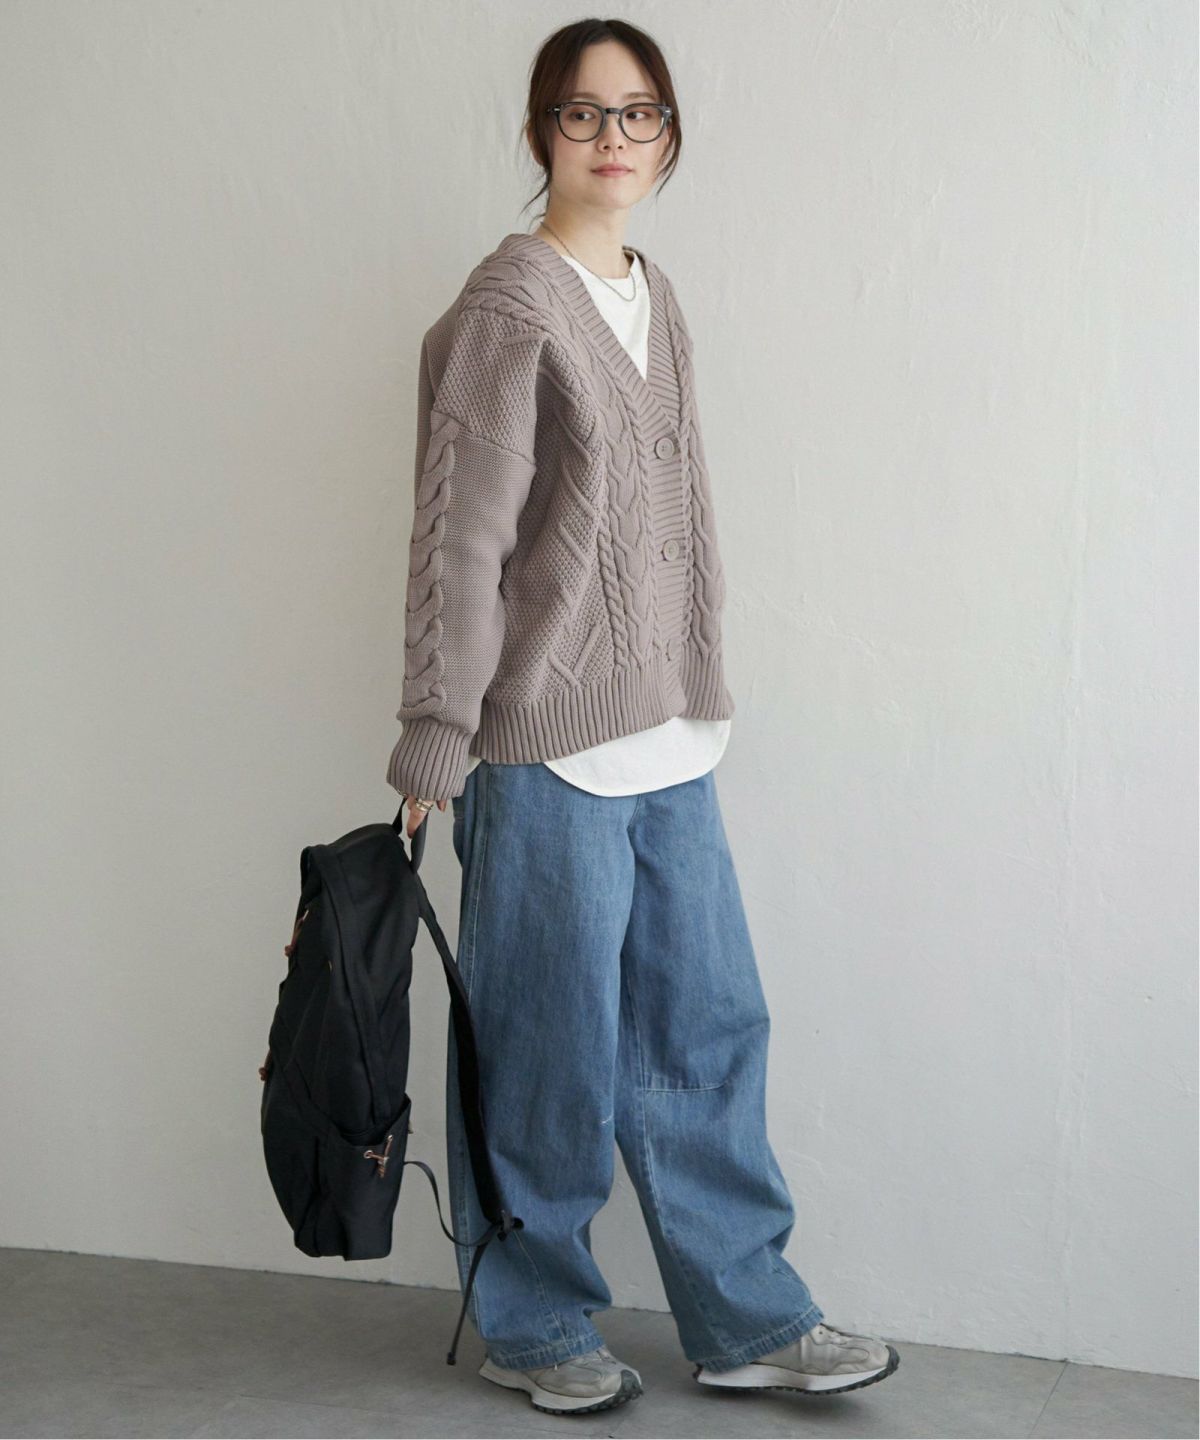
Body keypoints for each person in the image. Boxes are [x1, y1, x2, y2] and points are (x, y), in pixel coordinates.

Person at [386, 17, 900, 1419]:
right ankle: (534, 1320)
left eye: (640, 114)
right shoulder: (511, 308)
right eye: (583, 112)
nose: (613, 139)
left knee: (706, 1037)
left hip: (671, 741)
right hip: (544, 749)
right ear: (540, 130)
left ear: (669, 137)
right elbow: (461, 544)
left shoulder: (652, 297)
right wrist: (436, 734)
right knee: (545, 1055)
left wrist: (696, 680)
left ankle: (746, 1317)